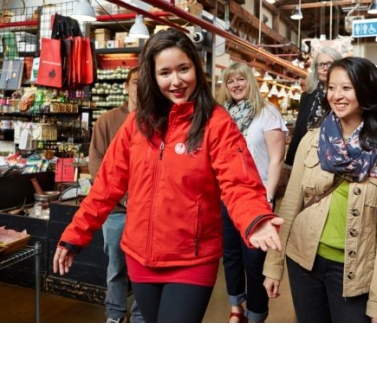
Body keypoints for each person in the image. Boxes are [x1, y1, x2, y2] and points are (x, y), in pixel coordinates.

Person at [53, 28, 283, 323]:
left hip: (191, 261)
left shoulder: (215, 122)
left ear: (196, 70)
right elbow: (106, 187)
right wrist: (74, 236)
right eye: (165, 72)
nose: (176, 81)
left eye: (183, 69)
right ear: (152, 76)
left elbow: (238, 182)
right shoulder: (136, 125)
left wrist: (256, 218)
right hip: (139, 257)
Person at [263, 56, 377, 323]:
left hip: (354, 268)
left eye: (346, 88)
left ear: (365, 91)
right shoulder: (312, 141)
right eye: (331, 88)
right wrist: (273, 265)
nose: (336, 96)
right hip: (304, 262)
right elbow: (290, 206)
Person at [217, 62, 288, 323]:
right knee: (231, 255)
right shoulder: (223, 114)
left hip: (257, 197)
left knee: (254, 259)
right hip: (227, 195)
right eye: (230, 81)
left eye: (241, 79)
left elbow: (276, 158)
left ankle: (256, 313)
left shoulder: (267, 113)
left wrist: (268, 196)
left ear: (250, 81)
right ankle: (236, 307)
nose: (235, 85)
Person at [88, 66, 144, 323]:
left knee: (145, 269)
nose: (139, 86)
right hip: (117, 212)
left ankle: (141, 316)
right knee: (116, 268)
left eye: (145, 81)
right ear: (126, 86)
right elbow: (96, 164)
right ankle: (115, 314)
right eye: (135, 82)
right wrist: (121, 196)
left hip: (147, 211)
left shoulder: (157, 119)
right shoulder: (107, 120)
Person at [284, 46, 342, 168]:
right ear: (316, 70)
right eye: (321, 65)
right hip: (306, 158)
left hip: (336, 159)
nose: (325, 68)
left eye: (329, 63)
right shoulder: (308, 95)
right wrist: (290, 163)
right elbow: (299, 130)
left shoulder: (346, 95)